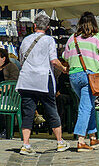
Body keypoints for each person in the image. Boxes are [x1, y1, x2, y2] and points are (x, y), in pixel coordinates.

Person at [15, 13, 68, 155]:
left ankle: (25, 144)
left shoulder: (25, 40)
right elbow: (53, 60)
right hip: (43, 79)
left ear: (34, 26)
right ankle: (59, 141)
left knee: (28, 112)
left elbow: (21, 60)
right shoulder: (49, 40)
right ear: (48, 27)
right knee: (51, 109)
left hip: (26, 80)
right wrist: (63, 69)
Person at [63, 11, 99, 152]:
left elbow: (65, 56)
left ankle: (92, 137)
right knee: (85, 108)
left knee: (88, 104)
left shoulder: (72, 38)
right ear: (94, 24)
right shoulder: (97, 37)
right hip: (89, 75)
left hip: (73, 76)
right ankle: (80, 140)